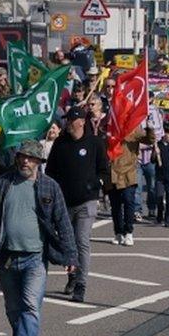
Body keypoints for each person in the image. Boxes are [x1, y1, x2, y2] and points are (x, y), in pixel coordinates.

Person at [0, 139, 78, 336]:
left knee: (31, 306)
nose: (25, 161)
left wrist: (70, 257)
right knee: (14, 309)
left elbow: (63, 222)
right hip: (7, 257)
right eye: (22, 156)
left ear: (39, 161)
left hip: (35, 259)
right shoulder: (3, 183)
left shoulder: (50, 186)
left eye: (30, 158)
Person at [45, 107, 108, 303]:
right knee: (67, 243)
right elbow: (50, 172)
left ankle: (81, 284)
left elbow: (104, 171)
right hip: (64, 203)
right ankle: (72, 276)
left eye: (70, 121)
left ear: (80, 122)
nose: (67, 124)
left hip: (86, 202)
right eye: (66, 121)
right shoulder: (60, 144)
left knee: (81, 241)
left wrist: (95, 184)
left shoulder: (94, 143)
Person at [105, 124, 151, 245]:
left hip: (128, 173)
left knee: (128, 201)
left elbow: (149, 140)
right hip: (112, 172)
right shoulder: (110, 127)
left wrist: (149, 129)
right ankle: (118, 232)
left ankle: (129, 232)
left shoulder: (133, 128)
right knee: (115, 206)